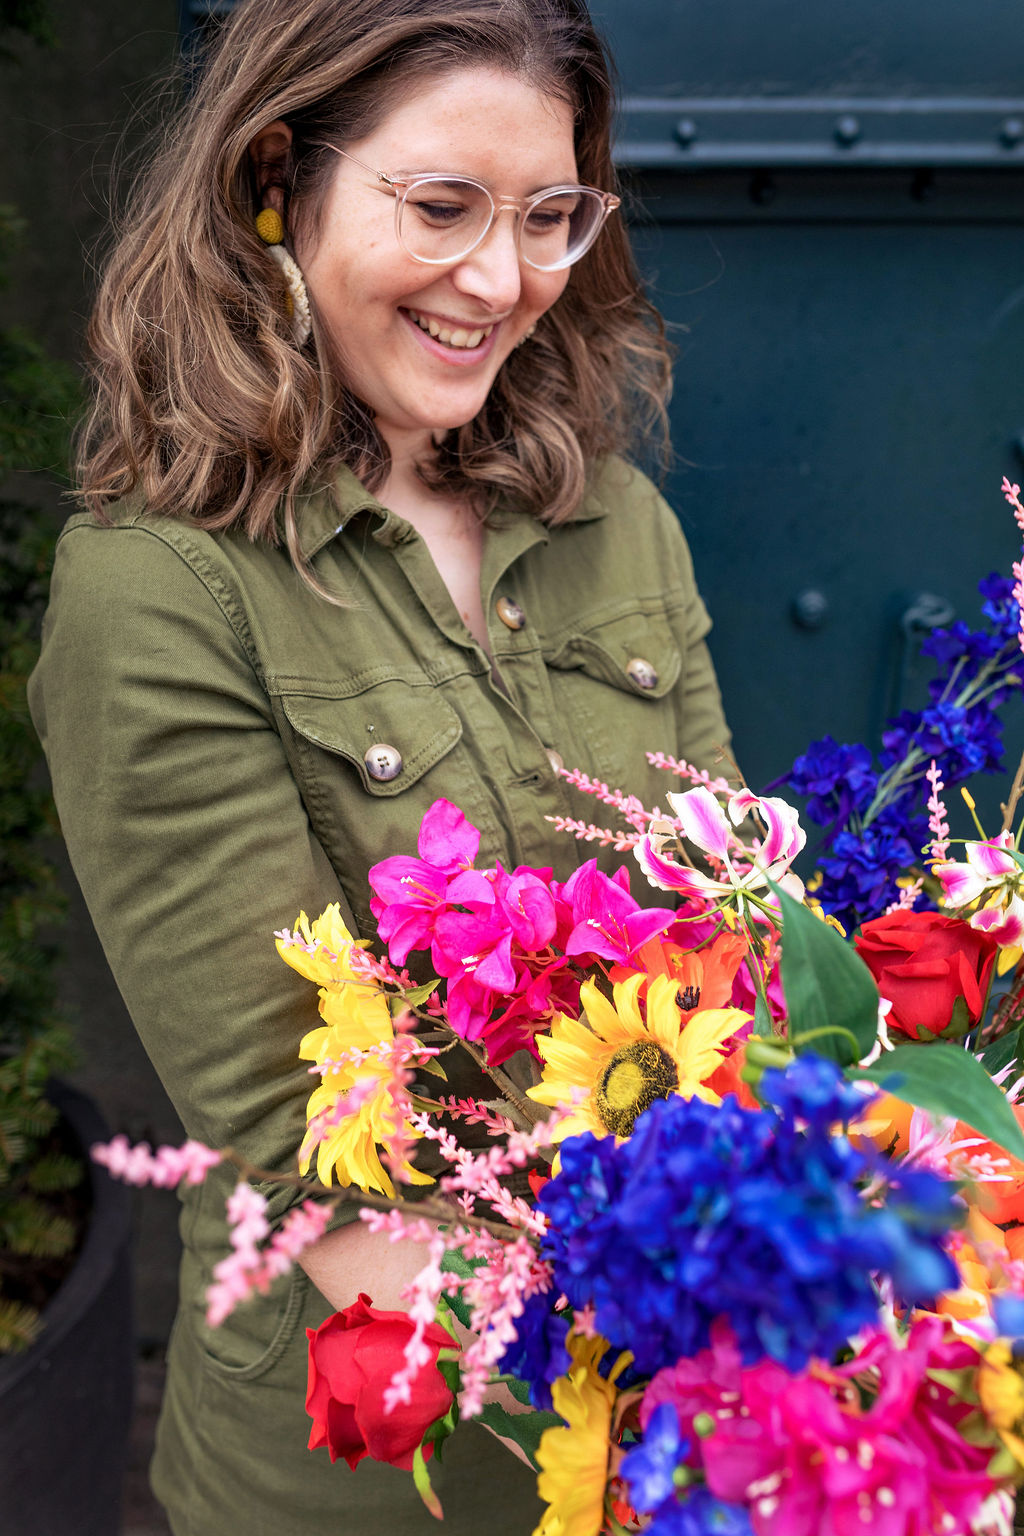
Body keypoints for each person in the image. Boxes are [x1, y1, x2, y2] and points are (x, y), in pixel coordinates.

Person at [28, 1, 733, 1531]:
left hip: (676, 1444)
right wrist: (773, 1321)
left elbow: (730, 936)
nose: (501, 278)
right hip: (374, 1469)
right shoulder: (160, 592)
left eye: (551, 215)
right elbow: (316, 1161)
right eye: (441, 207)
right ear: (278, 176)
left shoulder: (614, 518)